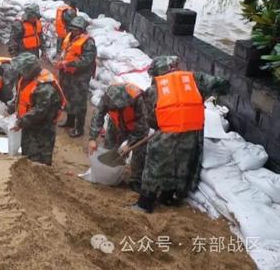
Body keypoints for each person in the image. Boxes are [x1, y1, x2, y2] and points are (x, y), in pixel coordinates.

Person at [135, 56, 229, 213]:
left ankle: (145, 204)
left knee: (154, 166)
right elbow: (222, 84)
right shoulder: (194, 79)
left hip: (167, 134)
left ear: (157, 73)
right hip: (192, 133)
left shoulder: (154, 89)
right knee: (181, 165)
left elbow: (152, 120)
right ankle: (167, 197)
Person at [87, 83, 149, 192]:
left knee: (139, 152)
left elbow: (143, 124)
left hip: (135, 127)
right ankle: (108, 175)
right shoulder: (107, 96)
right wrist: (92, 138)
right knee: (109, 149)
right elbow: (98, 114)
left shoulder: (136, 98)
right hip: (116, 125)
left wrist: (130, 144)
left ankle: (135, 180)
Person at [8, 52, 65, 165]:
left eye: (22, 70)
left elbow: (39, 112)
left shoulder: (45, 88)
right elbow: (22, 97)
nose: (20, 73)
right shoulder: (26, 79)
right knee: (27, 153)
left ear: (30, 70)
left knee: (39, 159)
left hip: (42, 129)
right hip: (29, 124)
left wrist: (20, 122)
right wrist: (11, 108)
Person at [55, 16, 97, 137]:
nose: (74, 31)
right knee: (68, 98)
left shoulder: (88, 42)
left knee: (79, 102)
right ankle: (69, 122)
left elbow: (87, 60)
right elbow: (65, 51)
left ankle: (79, 128)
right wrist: (60, 60)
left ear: (82, 30)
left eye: (77, 30)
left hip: (80, 76)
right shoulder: (70, 37)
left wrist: (68, 63)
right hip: (67, 74)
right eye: (73, 29)